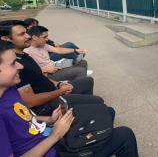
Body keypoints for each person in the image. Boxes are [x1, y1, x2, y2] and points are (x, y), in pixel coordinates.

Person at [0, 41, 139, 157]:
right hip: (54, 149)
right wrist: (55, 135)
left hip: (48, 134)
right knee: (125, 134)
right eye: (13, 64)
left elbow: (22, 116)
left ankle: (98, 144)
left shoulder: (9, 88)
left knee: (107, 112)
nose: (20, 66)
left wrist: (49, 120)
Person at [0, 20, 94, 115]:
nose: (28, 36)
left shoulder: (24, 55)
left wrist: (58, 84)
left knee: (88, 81)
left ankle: (83, 108)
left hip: (54, 90)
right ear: (5, 39)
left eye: (26, 32)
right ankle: (82, 111)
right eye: (22, 34)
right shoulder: (16, 65)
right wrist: (60, 91)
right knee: (97, 102)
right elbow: (31, 101)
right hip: (48, 105)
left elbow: (40, 76)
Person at [24, 25, 89, 82]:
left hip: (54, 67)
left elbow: (58, 50)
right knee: (80, 71)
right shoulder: (27, 51)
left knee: (83, 62)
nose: (47, 39)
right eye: (44, 37)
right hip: (47, 74)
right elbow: (26, 71)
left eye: (47, 37)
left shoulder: (43, 45)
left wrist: (75, 50)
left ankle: (74, 84)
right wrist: (44, 69)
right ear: (34, 37)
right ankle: (75, 91)